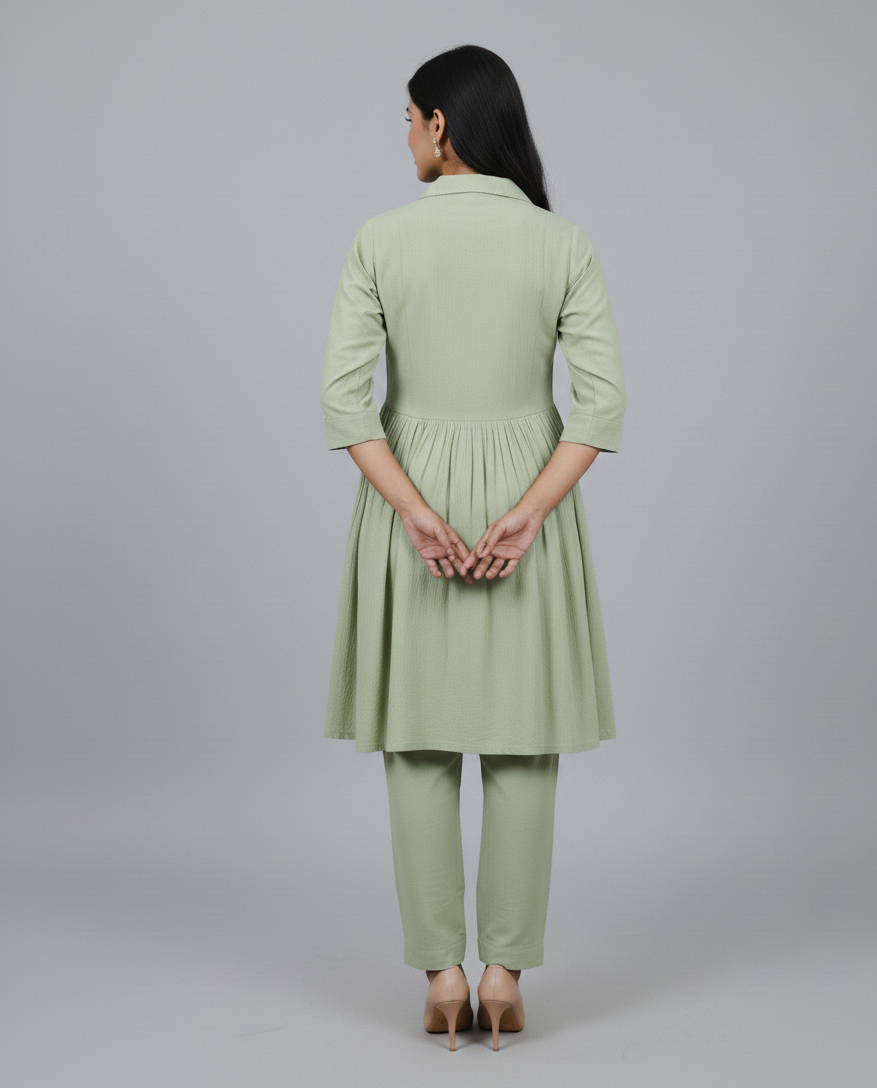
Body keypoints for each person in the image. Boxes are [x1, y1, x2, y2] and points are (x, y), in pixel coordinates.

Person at [319, 44, 627, 1051]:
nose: (404, 135)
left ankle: (441, 976)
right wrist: (531, 511)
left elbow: (343, 402)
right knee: (521, 749)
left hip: (409, 501)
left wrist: (412, 510)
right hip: (524, 501)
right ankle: (503, 975)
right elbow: (601, 404)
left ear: (441, 124)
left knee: (417, 745)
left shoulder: (380, 240)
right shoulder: (561, 242)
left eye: (409, 118)